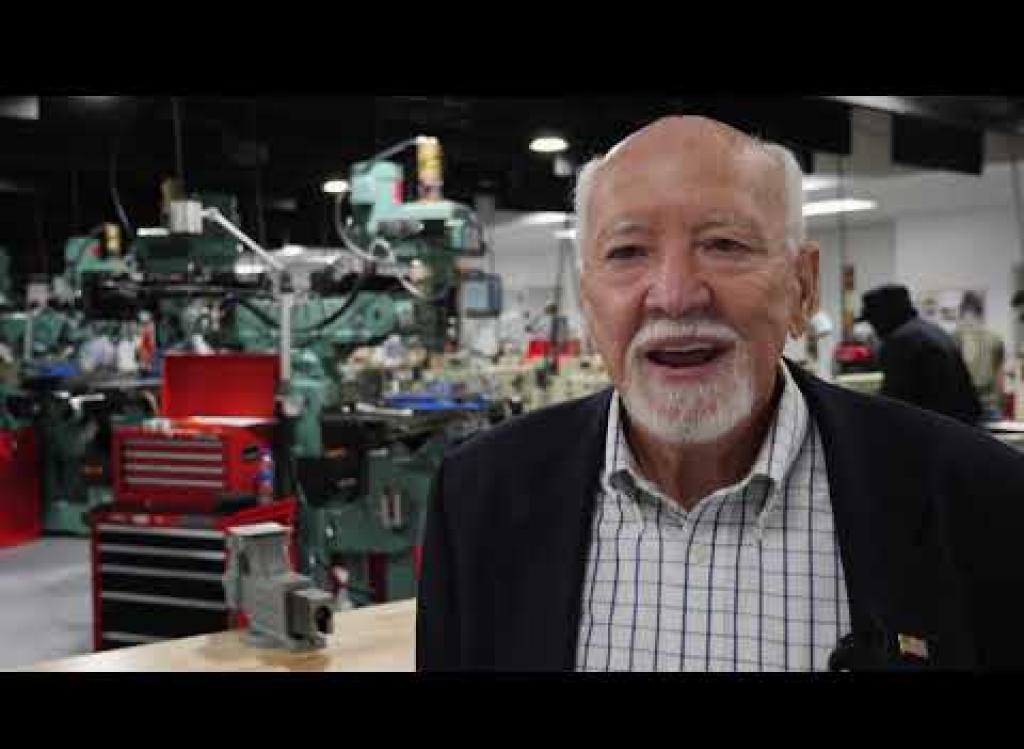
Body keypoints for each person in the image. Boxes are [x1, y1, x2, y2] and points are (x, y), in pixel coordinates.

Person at [417, 115, 1024, 671]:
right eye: (627, 252)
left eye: (724, 245)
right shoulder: (479, 498)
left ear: (803, 287)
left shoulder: (980, 498)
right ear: (588, 302)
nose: (676, 295)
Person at [857, 283, 981, 425]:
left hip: (931, 427)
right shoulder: (933, 331)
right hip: (957, 425)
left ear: (884, 315)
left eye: (873, 320)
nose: (873, 327)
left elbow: (896, 403)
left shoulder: (901, 341)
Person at [953, 291, 1005, 420]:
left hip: (963, 405)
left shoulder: (952, 338)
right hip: (990, 404)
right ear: (981, 311)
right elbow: (999, 377)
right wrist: (1000, 404)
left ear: (961, 311)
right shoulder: (995, 338)